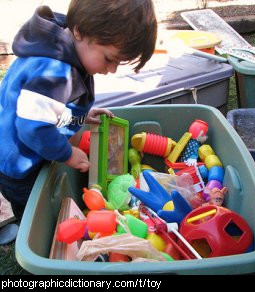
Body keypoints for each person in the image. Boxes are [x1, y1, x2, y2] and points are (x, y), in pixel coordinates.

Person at [0, 0, 157, 222]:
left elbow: (53, 108)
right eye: (109, 59)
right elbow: (32, 126)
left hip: (35, 148)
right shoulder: (54, 71)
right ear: (80, 31)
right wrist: (68, 153)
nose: (111, 70)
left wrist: (82, 116)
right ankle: (31, 248)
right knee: (34, 216)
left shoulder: (71, 50)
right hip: (20, 165)